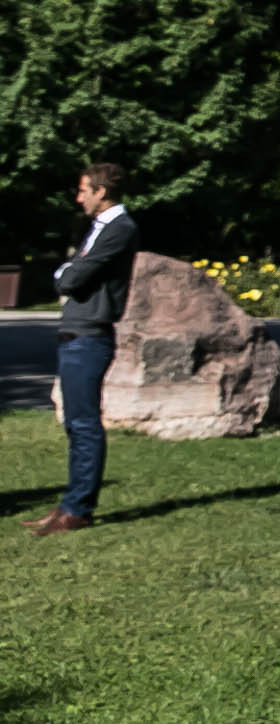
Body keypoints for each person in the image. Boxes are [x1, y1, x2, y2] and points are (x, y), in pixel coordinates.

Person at [29, 162, 140, 538]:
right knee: (76, 424)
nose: (78, 198)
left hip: (90, 335)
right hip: (78, 332)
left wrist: (65, 274)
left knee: (84, 424)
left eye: (83, 190)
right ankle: (69, 504)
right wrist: (68, 272)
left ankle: (78, 508)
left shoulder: (119, 229)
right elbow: (74, 272)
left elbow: (73, 276)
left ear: (101, 191)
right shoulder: (101, 227)